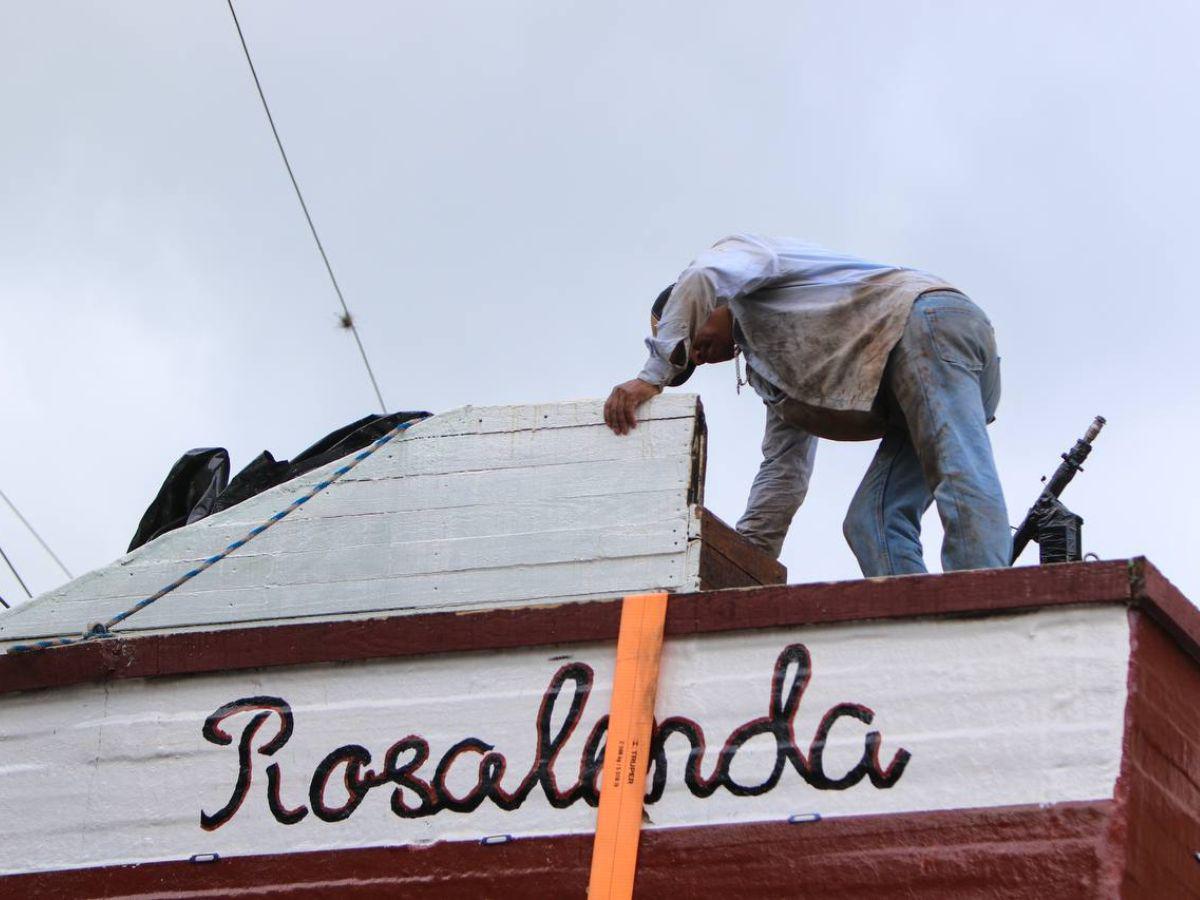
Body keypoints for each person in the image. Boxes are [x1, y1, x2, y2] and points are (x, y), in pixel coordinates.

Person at [603, 233, 1009, 576]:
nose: (696, 356)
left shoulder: (744, 265)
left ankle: (984, 600)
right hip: (907, 392)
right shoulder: (777, 369)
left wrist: (652, 376)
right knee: (871, 521)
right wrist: (747, 560)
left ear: (707, 303)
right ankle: (925, 625)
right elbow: (784, 473)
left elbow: (701, 276)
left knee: (957, 468)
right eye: (688, 360)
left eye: (689, 340)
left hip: (925, 325)